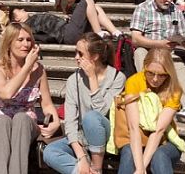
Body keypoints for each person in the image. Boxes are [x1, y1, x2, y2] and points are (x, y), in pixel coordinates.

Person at [43, 33, 126, 174]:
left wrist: (92, 78)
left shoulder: (117, 78)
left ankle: (97, 167)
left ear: (95, 56)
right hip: (83, 137)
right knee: (50, 152)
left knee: (92, 117)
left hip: (106, 135)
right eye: (76, 52)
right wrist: (81, 156)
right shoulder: (73, 80)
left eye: (80, 54)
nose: (76, 57)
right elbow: (70, 121)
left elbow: (101, 112)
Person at [0, 23, 60, 174]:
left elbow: (47, 104)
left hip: (25, 127)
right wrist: (27, 68)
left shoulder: (38, 70)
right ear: (8, 43)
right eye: (20, 40)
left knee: (21, 118)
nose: (26, 44)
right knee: (2, 121)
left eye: (28, 40)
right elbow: (6, 93)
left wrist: (56, 123)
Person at [110, 48, 185, 174]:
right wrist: (140, 168)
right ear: (145, 66)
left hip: (164, 139)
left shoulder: (174, 88)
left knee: (160, 155)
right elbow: (133, 127)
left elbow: (159, 130)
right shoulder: (134, 81)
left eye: (162, 75)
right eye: (150, 73)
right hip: (134, 136)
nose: (155, 79)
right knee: (129, 153)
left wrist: (142, 167)